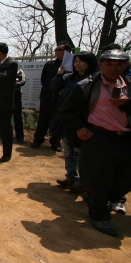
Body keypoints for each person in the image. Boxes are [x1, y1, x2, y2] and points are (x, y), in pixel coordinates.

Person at [58, 49, 131, 237]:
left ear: (126, 66)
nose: (114, 68)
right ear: (100, 65)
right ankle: (99, 215)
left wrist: (125, 104)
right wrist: (79, 128)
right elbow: (66, 111)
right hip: (98, 137)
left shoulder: (128, 86)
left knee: (126, 178)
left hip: (126, 138)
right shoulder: (87, 86)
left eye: (118, 65)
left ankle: (102, 198)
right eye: (109, 64)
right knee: (99, 179)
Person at [50, 52, 98, 194]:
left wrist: (64, 93)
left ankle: (82, 182)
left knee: (82, 154)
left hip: (84, 121)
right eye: (76, 61)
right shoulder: (70, 77)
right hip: (67, 119)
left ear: (90, 63)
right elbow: (53, 87)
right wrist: (60, 74)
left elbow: (79, 98)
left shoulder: (94, 80)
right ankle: (71, 177)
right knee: (68, 149)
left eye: (81, 61)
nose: (77, 64)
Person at [32, 42, 72, 151]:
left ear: (67, 52)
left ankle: (55, 142)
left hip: (61, 99)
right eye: (56, 50)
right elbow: (43, 80)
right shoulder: (49, 65)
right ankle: (38, 140)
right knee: (43, 120)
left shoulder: (71, 66)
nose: (56, 52)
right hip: (47, 97)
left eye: (59, 50)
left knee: (58, 121)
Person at [13, 68, 26, 143]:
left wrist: (11, 83)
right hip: (7, 96)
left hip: (17, 96)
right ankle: (4, 135)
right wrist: (15, 80)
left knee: (18, 117)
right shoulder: (6, 71)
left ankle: (20, 136)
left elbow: (22, 82)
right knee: (6, 117)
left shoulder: (20, 72)